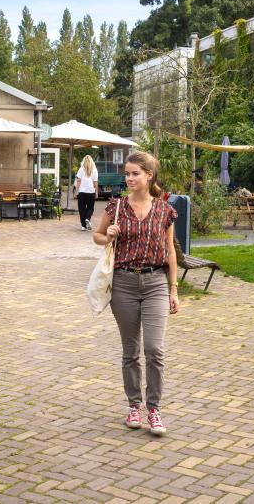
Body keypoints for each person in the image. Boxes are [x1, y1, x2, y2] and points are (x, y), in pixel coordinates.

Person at [91, 151, 179, 436]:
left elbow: (170, 251)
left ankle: (154, 409)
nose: (129, 178)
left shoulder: (165, 210)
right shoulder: (116, 206)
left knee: (154, 349)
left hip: (156, 284)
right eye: (127, 174)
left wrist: (174, 289)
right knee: (130, 351)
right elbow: (97, 236)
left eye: (135, 173)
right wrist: (108, 236)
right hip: (124, 284)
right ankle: (134, 406)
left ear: (149, 175)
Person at [75, 155, 99, 230]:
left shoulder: (81, 169)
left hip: (82, 192)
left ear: (84, 161)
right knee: (90, 208)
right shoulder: (94, 170)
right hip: (91, 192)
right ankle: (88, 218)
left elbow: (78, 180)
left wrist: (76, 191)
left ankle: (83, 226)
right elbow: (95, 182)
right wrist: (96, 192)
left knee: (81, 209)